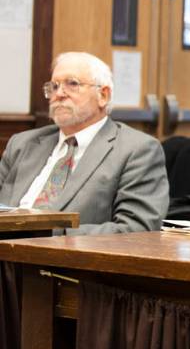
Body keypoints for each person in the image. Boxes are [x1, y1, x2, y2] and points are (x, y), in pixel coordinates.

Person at [0, 51, 169, 235]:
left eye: (72, 84)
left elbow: (136, 230)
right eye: (54, 86)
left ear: (103, 95)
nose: (59, 94)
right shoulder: (22, 144)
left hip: (64, 259)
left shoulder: (136, 150)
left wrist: (44, 234)